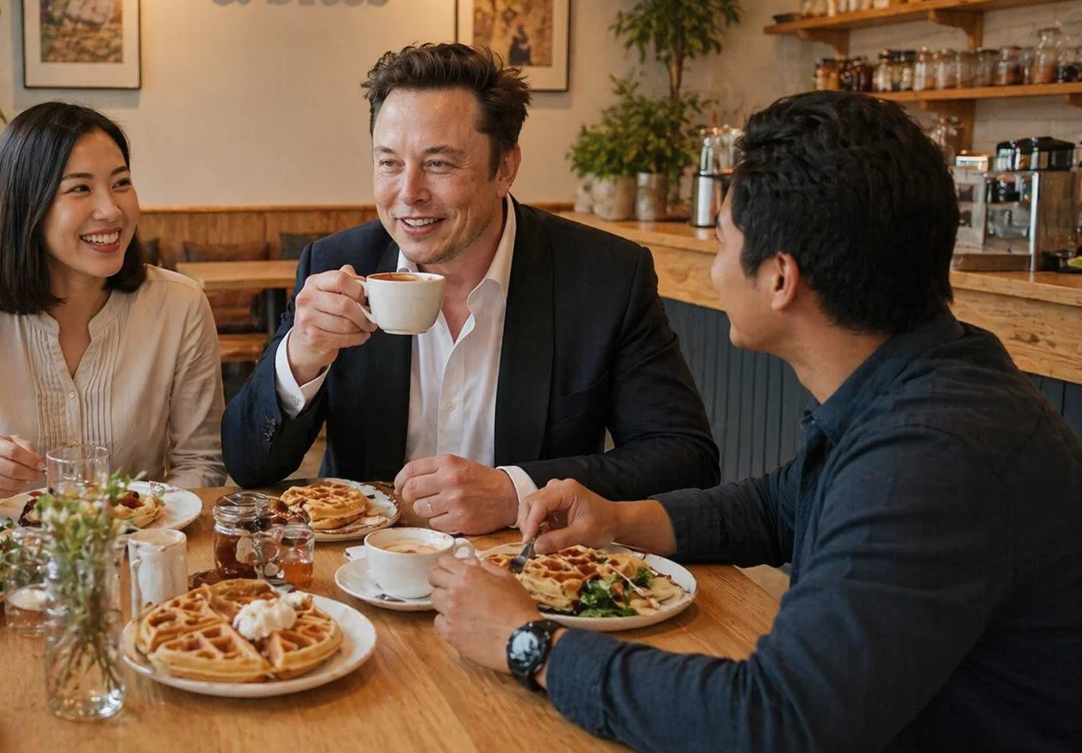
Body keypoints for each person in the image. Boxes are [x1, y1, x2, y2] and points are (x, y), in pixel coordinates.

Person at [429, 91, 1082, 752]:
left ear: (780, 279)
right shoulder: (927, 377)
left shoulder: (933, 456)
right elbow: (779, 506)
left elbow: (775, 722)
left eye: (721, 243)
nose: (714, 269)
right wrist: (620, 520)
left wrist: (530, 644)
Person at [222, 43, 719, 534]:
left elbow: (684, 457)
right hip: (367, 569)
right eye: (389, 163)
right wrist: (301, 357)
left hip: (528, 572)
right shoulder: (334, 266)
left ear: (504, 168)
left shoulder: (603, 277)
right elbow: (249, 466)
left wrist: (514, 491)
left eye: (438, 164)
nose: (408, 193)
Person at [0, 102, 226, 509]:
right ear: (26, 205)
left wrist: (146, 516)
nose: (111, 210)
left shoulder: (179, 305)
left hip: (139, 551)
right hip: (8, 558)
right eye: (79, 188)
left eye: (121, 183)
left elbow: (202, 463)